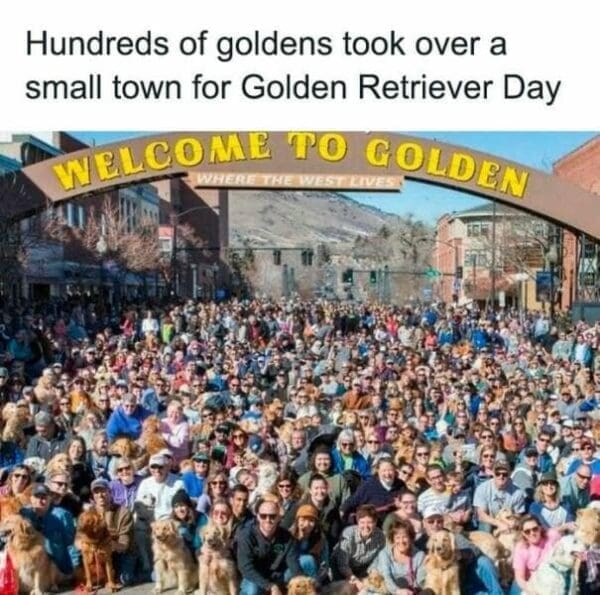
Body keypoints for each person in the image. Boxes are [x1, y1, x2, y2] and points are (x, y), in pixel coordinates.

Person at [237, 495, 301, 595]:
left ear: (279, 517)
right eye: (263, 516)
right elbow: (246, 567)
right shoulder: (246, 535)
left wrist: (301, 583)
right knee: (252, 590)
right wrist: (270, 586)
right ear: (258, 516)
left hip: (278, 576)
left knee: (306, 561)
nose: (268, 520)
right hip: (255, 577)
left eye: (272, 516)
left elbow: (293, 564)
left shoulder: (287, 537)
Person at [20, 483, 80, 577]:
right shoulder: (23, 514)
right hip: (34, 569)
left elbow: (70, 544)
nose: (40, 501)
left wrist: (74, 567)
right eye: (37, 497)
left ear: (50, 499)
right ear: (31, 499)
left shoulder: (62, 515)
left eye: (44, 497)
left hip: (58, 570)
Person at [90, 478, 136, 586]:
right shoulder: (89, 514)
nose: (100, 495)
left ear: (110, 492)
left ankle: (142, 573)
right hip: (99, 554)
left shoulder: (123, 512)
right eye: (96, 492)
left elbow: (124, 545)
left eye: (103, 491)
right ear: (93, 496)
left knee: (125, 579)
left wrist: (105, 542)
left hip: (121, 553)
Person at [331, 504, 386, 588]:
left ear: (375, 522)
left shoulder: (380, 536)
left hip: (362, 570)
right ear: (357, 522)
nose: (366, 526)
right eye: (362, 522)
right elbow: (343, 565)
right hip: (339, 569)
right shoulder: (348, 534)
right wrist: (356, 581)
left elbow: (377, 560)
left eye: (369, 522)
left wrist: (370, 575)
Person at [510, 514, 562, 595]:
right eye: (527, 531)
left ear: (540, 528)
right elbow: (520, 578)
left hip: (551, 580)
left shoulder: (552, 536)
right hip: (529, 582)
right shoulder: (521, 548)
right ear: (523, 533)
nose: (532, 533)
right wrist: (533, 592)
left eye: (535, 529)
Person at [340, 458, 405, 524]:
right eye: (384, 470)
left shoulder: (401, 485)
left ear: (395, 470)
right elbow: (354, 500)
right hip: (371, 523)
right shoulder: (368, 485)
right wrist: (343, 510)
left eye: (390, 470)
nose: (387, 474)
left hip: (392, 523)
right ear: (378, 471)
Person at [371, 517, 426, 594]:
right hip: (386, 590)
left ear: (410, 538)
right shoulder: (385, 554)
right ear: (393, 539)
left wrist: (411, 590)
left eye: (405, 537)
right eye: (397, 537)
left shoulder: (419, 555)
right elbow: (386, 577)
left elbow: (420, 581)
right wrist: (398, 591)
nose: (401, 541)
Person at [473, 460, 526, 532]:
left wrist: (512, 522)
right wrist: (499, 523)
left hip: (508, 523)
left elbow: (518, 515)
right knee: (486, 525)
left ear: (510, 474)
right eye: (498, 473)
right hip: (490, 522)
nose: (501, 476)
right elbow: (481, 515)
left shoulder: (517, 492)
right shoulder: (482, 488)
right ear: (493, 473)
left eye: (505, 474)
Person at [289, 504, 329, 583]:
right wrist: (299, 538)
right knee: (307, 560)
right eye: (303, 520)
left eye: (311, 521)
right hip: (291, 572)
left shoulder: (320, 540)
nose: (307, 524)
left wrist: (317, 579)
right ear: (297, 521)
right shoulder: (288, 536)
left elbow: (324, 565)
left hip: (313, 575)